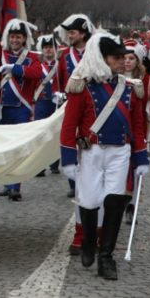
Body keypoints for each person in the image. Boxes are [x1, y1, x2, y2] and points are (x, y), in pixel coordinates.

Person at [60, 32, 149, 280]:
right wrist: (68, 158)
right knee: (88, 202)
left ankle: (106, 256)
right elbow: (69, 125)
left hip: (120, 152)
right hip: (91, 151)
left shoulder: (131, 88)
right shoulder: (82, 87)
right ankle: (89, 240)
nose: (122, 61)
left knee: (115, 201)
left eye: (123, 57)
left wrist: (141, 158)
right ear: (102, 58)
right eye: (116, 57)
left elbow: (138, 126)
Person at [0, 18, 42, 201]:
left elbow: (36, 73)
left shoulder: (32, 57)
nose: (15, 40)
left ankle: (15, 186)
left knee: (18, 149)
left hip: (21, 110)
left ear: (25, 39)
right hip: (2, 109)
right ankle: (6, 183)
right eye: (12, 37)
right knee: (3, 149)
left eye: (19, 37)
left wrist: (15, 68)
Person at [54, 13, 96, 255]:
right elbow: (59, 79)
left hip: (92, 117)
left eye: (73, 32)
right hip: (70, 111)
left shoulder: (96, 52)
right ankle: (81, 234)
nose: (69, 35)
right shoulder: (65, 56)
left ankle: (97, 232)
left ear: (83, 33)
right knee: (82, 184)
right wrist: (57, 94)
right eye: (68, 32)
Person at [122, 39, 150, 224]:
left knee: (136, 172)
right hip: (118, 135)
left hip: (140, 134)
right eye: (123, 58)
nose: (126, 62)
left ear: (138, 60)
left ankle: (131, 206)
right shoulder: (112, 78)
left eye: (131, 58)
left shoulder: (149, 82)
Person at [33, 34, 68, 188]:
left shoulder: (60, 64)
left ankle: (54, 163)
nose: (48, 50)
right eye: (46, 48)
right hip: (41, 102)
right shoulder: (37, 64)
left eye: (51, 48)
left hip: (56, 102)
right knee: (41, 134)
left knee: (55, 133)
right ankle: (40, 165)